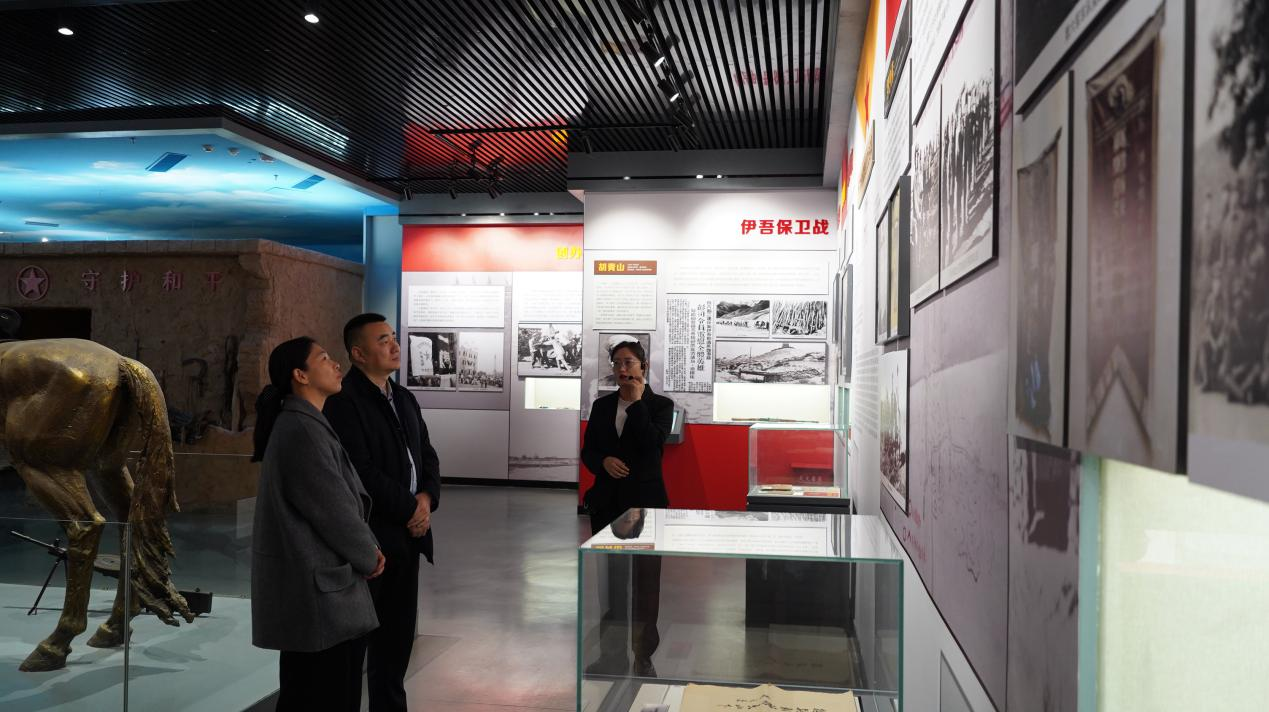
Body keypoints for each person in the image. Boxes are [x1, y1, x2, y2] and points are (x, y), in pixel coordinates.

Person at [250, 336, 385, 712]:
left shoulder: (307, 424)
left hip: (324, 590)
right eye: (324, 359)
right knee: (323, 695)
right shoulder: (301, 429)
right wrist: (369, 554)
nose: (336, 365)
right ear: (300, 375)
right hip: (321, 599)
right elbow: (333, 510)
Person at [324, 313, 441, 712]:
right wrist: (411, 508)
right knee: (356, 644)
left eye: (393, 337)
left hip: (409, 537)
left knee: (397, 641)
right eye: (382, 340)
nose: (394, 346)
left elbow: (426, 454)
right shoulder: (343, 401)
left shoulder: (403, 397)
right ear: (358, 354)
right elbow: (361, 470)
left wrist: (427, 499)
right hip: (371, 540)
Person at [581, 340, 674, 677]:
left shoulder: (660, 405)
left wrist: (636, 405)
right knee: (612, 585)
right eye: (617, 362)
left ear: (643, 366)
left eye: (629, 362)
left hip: (645, 506)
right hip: (607, 505)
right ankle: (612, 654)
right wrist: (603, 461)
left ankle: (643, 656)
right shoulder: (602, 405)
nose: (622, 369)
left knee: (646, 585)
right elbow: (588, 451)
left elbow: (653, 446)